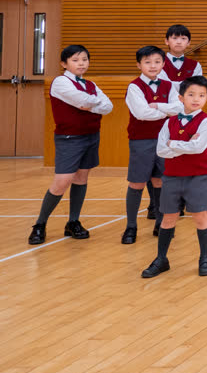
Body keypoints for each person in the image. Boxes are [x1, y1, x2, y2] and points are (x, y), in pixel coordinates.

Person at [29, 45, 113, 246]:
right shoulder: (60, 82)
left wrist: (90, 105)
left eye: (84, 59)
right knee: (62, 182)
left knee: (81, 178)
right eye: (75, 60)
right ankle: (40, 224)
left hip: (91, 136)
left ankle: (73, 222)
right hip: (69, 138)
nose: (81, 63)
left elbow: (108, 106)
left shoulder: (91, 84)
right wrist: (94, 104)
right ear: (64, 64)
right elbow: (81, 100)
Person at [143, 75, 207, 278]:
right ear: (181, 98)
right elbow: (161, 151)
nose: (196, 99)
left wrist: (173, 144)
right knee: (168, 218)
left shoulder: (206, 121)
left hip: (197, 177)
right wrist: (185, 145)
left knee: (200, 217)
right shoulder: (169, 122)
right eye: (191, 94)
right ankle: (161, 259)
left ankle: (205, 258)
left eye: (202, 95)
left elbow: (198, 148)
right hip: (172, 177)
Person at [122, 46, 181, 244]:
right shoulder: (134, 87)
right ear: (139, 65)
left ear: (163, 64)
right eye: (147, 62)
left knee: (160, 181)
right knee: (137, 183)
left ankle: (161, 223)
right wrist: (166, 111)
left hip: (165, 140)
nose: (153, 66)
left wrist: (158, 107)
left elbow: (179, 108)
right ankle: (131, 227)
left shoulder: (168, 85)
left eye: (157, 62)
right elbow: (142, 114)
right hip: (141, 140)